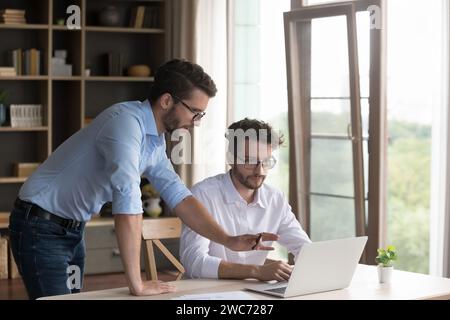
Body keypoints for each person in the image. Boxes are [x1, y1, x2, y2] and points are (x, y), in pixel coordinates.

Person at [8, 60, 277, 299]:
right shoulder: (125, 124)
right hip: (39, 225)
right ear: (166, 101)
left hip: (72, 228)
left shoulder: (154, 141)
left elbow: (179, 196)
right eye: (195, 112)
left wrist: (229, 240)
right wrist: (137, 284)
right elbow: (127, 204)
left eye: (201, 115)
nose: (196, 122)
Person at [180, 118, 311, 281]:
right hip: (207, 293)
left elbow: (305, 249)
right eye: (249, 161)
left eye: (266, 162)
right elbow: (194, 262)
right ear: (230, 159)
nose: (260, 171)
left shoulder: (275, 199)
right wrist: (256, 271)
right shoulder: (203, 195)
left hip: (253, 293)